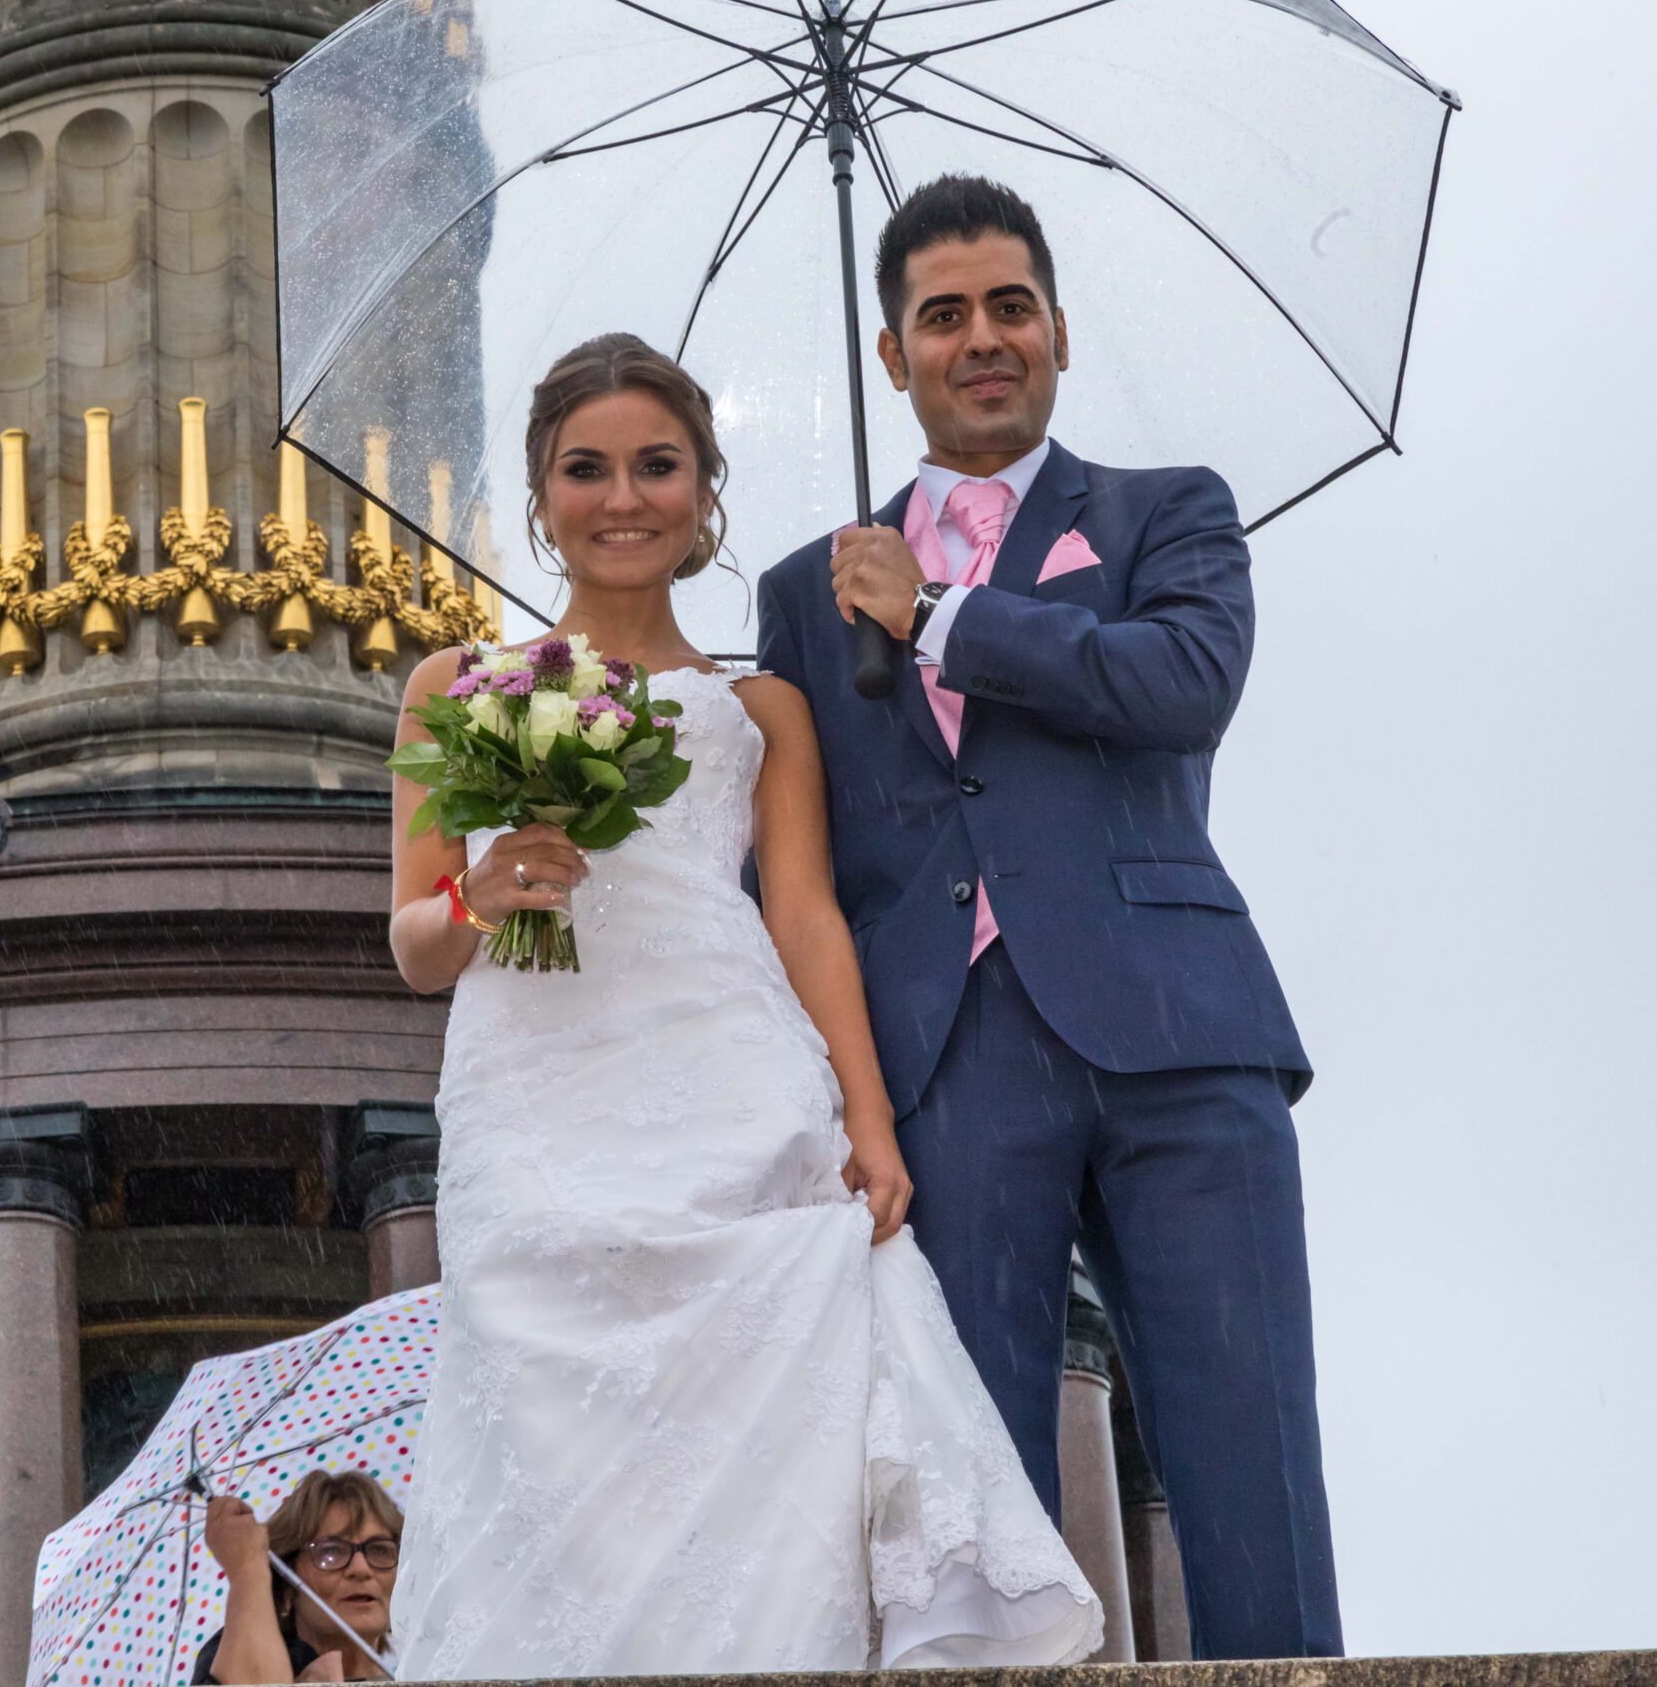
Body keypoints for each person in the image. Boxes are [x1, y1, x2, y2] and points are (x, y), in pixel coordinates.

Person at [382, 333, 1100, 1677]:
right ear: (541, 497)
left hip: (731, 1075)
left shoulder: (758, 704)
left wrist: (870, 1117)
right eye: (585, 469)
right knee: (546, 1426)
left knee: (766, 1422)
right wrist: (485, 889)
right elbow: (416, 944)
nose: (623, 497)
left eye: (658, 466)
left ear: (705, 493)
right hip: (534, 1102)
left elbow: (805, 913)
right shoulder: (456, 687)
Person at [755, 174, 1339, 1661]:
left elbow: (1179, 684)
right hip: (947, 1066)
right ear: (894, 355)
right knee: (978, 1489)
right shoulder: (801, 594)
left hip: (1176, 1036)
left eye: (1010, 306)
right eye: (942, 315)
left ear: (1059, 330)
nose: (981, 338)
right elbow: (796, 866)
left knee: (1243, 1446)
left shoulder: (1170, 514)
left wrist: (940, 614)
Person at [197, 1470, 403, 1683]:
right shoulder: (231, 1655)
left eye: (379, 1550)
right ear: (287, 1588)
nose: (361, 1569)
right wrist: (247, 1568)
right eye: (330, 1551)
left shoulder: (427, 1669)